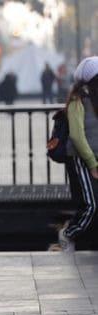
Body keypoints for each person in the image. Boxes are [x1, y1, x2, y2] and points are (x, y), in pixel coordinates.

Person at [55, 57, 98, 251]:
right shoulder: (77, 100)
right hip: (81, 159)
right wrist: (92, 163)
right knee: (91, 205)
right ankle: (68, 233)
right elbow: (77, 136)